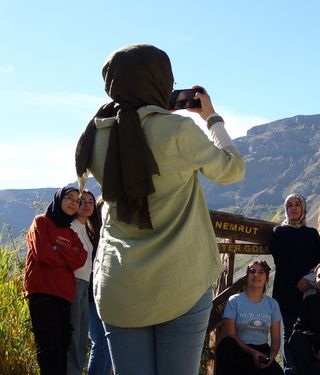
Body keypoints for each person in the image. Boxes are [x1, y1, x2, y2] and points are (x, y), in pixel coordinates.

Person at [75, 44, 245, 374]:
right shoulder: (176, 130)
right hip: (181, 282)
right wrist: (211, 117)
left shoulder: (94, 135)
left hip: (119, 285)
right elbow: (233, 168)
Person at [24, 187, 88, 374]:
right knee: (49, 347)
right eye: (69, 198)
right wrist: (67, 257)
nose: (73, 203)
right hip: (42, 291)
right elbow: (43, 253)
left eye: (77, 201)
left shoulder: (71, 233)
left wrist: (57, 248)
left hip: (64, 294)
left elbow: (80, 259)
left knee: (63, 344)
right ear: (59, 199)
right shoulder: (41, 222)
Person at [270, 193, 320, 373]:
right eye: (290, 205)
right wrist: (298, 281)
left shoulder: (312, 233)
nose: (293, 208)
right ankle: (290, 369)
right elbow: (280, 262)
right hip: (286, 290)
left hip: (309, 290)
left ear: (303, 208)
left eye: (297, 204)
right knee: (289, 330)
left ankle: (307, 367)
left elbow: (318, 261)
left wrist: (307, 280)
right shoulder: (279, 232)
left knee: (309, 329)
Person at [215, 260, 284, 375]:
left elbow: (276, 338)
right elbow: (230, 335)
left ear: (267, 278)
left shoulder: (273, 304)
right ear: (247, 277)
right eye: (252, 271)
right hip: (239, 349)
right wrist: (252, 352)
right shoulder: (234, 301)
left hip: (262, 350)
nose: (256, 275)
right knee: (226, 345)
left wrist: (270, 358)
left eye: (261, 272)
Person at [67, 191, 99, 375]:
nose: (87, 205)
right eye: (82, 201)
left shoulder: (87, 229)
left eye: (90, 202)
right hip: (73, 285)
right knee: (73, 337)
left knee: (81, 340)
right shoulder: (71, 228)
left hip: (85, 287)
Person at [86, 197, 112, 375]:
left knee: (109, 344)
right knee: (101, 343)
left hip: (109, 295)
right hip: (90, 295)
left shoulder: (110, 237)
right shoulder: (90, 235)